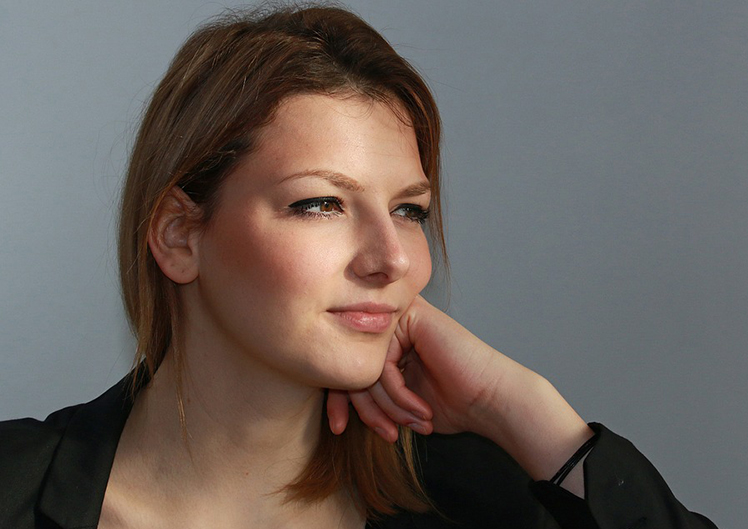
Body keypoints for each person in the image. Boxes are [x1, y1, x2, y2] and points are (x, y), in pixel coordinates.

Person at [0, 4, 717, 529]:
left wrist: (526, 414)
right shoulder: (15, 490)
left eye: (409, 210)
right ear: (180, 235)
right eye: (321, 203)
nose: (393, 259)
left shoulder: (483, 503)